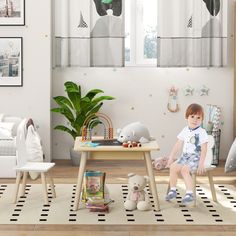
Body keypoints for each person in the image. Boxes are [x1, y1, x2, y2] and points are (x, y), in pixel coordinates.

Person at [165, 103, 208, 204]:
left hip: (196, 157)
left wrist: (201, 163)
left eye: (198, 117)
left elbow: (204, 149)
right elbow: (178, 145)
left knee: (185, 170)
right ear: (187, 117)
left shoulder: (202, 132)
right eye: (192, 116)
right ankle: (173, 190)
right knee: (173, 167)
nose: (195, 120)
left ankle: (189, 193)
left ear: (201, 120)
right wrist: (171, 158)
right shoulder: (185, 130)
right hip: (185, 156)